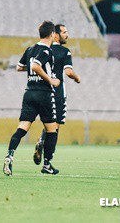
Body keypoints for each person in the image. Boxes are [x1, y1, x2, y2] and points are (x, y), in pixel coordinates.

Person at [4, 21, 60, 176]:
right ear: (52, 34)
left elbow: (19, 67)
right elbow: (35, 66)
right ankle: (47, 165)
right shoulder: (47, 51)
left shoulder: (30, 49)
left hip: (29, 93)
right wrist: (50, 80)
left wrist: (33, 71)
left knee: (22, 127)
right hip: (44, 93)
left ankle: (10, 155)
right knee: (51, 129)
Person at [31, 23, 81, 166]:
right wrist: (77, 78)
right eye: (64, 32)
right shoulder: (64, 51)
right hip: (57, 92)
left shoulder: (44, 50)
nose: (67, 35)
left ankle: (41, 142)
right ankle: (47, 160)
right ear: (56, 35)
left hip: (42, 92)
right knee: (55, 127)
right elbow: (68, 72)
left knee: (48, 124)